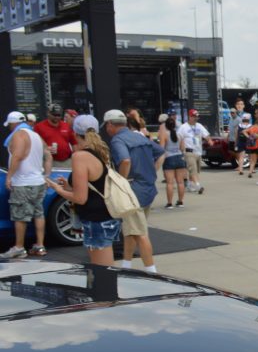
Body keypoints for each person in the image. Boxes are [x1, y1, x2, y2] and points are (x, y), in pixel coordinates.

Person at [46, 115, 121, 266]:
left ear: (74, 133)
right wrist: (67, 186)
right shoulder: (101, 151)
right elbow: (95, 184)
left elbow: (80, 198)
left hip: (96, 220)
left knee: (102, 274)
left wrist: (57, 189)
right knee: (104, 271)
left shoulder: (80, 156)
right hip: (105, 216)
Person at [106, 109, 165, 272]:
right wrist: (152, 171)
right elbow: (160, 152)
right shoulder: (139, 137)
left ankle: (151, 271)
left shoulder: (118, 141)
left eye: (106, 125)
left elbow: (125, 160)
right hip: (147, 189)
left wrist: (121, 182)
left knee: (139, 232)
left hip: (132, 192)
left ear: (110, 124)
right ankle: (127, 265)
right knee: (131, 230)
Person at [1, 111, 51, 258]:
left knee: (20, 216)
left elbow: (17, 155)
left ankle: (19, 247)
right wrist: (46, 176)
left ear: (13, 123)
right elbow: (48, 154)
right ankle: (40, 246)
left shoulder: (19, 135)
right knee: (38, 213)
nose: (9, 128)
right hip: (38, 181)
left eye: (10, 125)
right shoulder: (36, 135)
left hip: (23, 182)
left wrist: (9, 177)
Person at [33, 103, 76, 169]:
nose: (57, 117)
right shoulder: (39, 127)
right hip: (47, 161)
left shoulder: (66, 126)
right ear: (48, 113)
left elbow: (74, 143)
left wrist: (75, 158)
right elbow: (33, 146)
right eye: (54, 115)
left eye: (59, 115)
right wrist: (45, 149)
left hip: (66, 161)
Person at [160, 116, 188, 209]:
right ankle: (180, 202)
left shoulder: (164, 134)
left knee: (170, 183)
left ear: (166, 125)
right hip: (179, 158)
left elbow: (161, 148)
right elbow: (182, 148)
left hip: (169, 158)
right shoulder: (179, 134)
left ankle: (169, 203)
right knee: (180, 182)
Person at [177, 109, 208, 193]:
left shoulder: (199, 126)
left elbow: (206, 134)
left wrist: (209, 140)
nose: (196, 118)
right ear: (190, 117)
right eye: (194, 116)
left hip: (198, 151)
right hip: (188, 151)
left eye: (197, 116)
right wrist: (180, 149)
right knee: (193, 169)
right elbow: (178, 138)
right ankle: (198, 186)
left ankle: (190, 185)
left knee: (196, 170)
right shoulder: (183, 127)